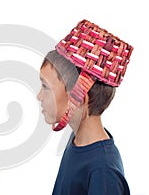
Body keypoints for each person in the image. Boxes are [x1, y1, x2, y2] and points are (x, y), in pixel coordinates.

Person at [37, 19, 133, 194]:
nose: (39, 96)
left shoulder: (103, 171)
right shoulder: (77, 140)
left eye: (45, 87)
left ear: (80, 97)